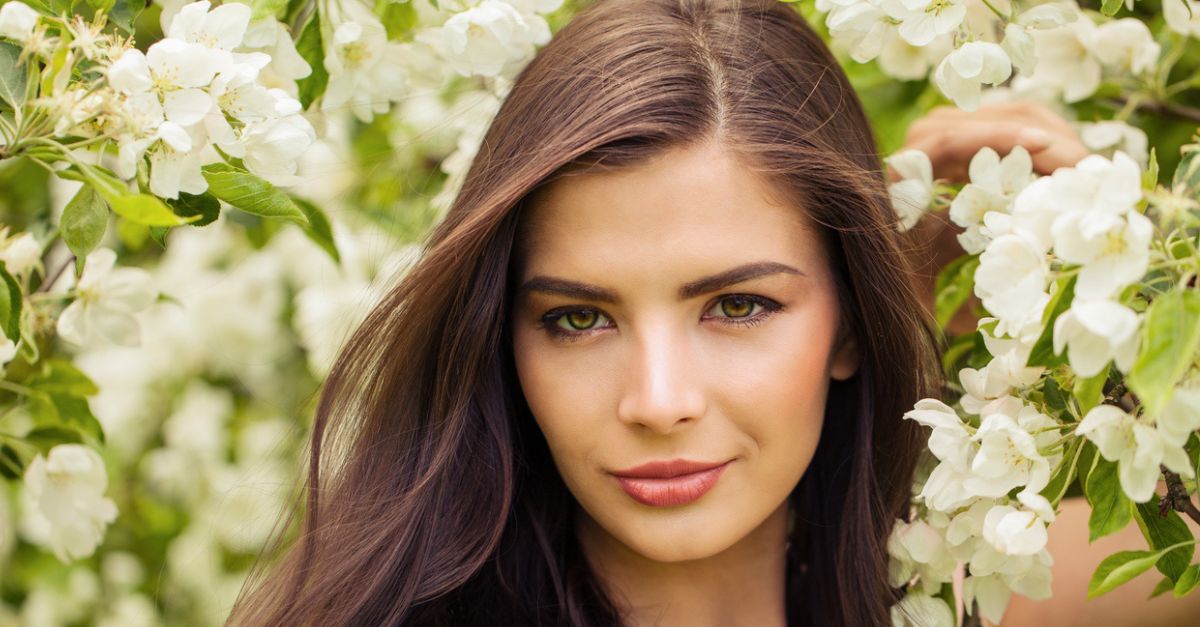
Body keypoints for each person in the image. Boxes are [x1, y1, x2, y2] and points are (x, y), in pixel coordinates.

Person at [226, 1, 1196, 626]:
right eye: (577, 319)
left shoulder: (958, 591)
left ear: (852, 322)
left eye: (738, 305)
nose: (659, 400)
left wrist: (1127, 275)